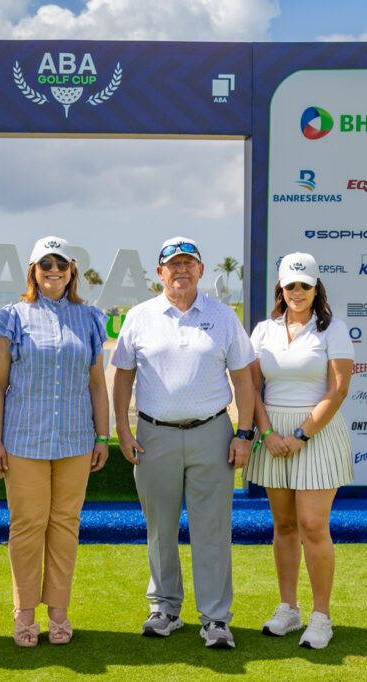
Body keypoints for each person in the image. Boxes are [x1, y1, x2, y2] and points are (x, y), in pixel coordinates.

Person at [111, 237, 255, 650]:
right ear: (160, 272)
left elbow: (243, 379)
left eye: (188, 263)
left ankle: (215, 618)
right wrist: (122, 430)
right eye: (173, 264)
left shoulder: (222, 316)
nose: (181, 270)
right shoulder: (139, 317)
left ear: (200, 270)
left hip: (213, 433)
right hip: (154, 435)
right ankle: (165, 609)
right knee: (160, 528)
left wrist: (244, 433)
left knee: (213, 529)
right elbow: (122, 377)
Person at [0, 236, 111, 647]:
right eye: (45, 264)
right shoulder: (12, 317)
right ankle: (24, 612)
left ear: (71, 270)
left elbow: (96, 384)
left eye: (61, 264)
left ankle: (58, 610)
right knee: (27, 525)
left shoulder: (89, 318)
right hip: (23, 440)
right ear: (33, 271)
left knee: (65, 525)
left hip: (76, 441)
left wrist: (103, 435)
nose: (53, 271)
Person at [245, 252, 355, 650]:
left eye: (304, 285)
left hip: (316, 435)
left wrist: (300, 436)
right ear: (281, 288)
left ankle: (321, 616)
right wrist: (267, 433)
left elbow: (338, 390)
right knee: (285, 526)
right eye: (290, 285)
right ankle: (288, 608)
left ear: (315, 288)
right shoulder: (263, 331)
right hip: (272, 437)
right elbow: (252, 388)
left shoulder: (333, 330)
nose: (297, 291)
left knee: (312, 525)